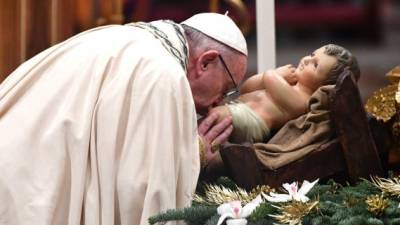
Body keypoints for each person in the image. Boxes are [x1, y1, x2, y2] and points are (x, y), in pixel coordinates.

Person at [0, 13, 247, 225]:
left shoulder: (120, 38)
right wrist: (193, 154)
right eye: (226, 89)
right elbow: (141, 194)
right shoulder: (163, 76)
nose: (219, 103)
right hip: (31, 195)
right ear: (206, 61)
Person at [207, 44, 360, 147]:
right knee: (208, 121)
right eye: (312, 55)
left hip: (252, 121)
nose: (307, 60)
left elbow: (270, 80)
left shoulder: (303, 102)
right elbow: (246, 88)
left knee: (212, 116)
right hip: (238, 108)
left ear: (324, 84)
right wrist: (264, 78)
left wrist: (275, 74)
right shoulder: (288, 82)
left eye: (315, 65)